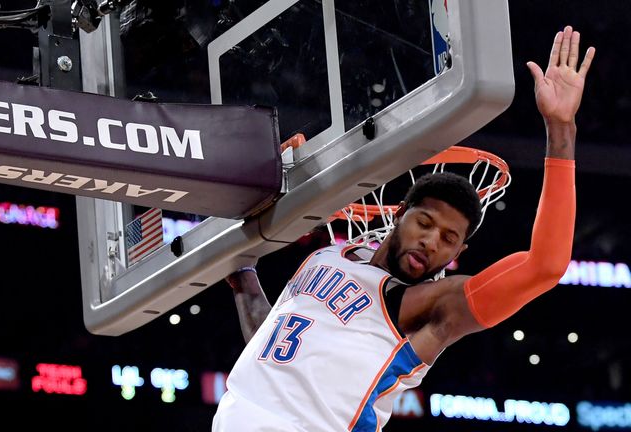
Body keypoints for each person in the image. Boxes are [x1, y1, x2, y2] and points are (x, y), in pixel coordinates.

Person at [212, 26, 595, 432]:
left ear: (456, 256)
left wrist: (561, 130)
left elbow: (545, 266)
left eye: (449, 239)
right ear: (399, 215)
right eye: (425, 223)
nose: (431, 241)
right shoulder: (326, 255)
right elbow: (268, 346)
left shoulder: (426, 309)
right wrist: (242, 271)